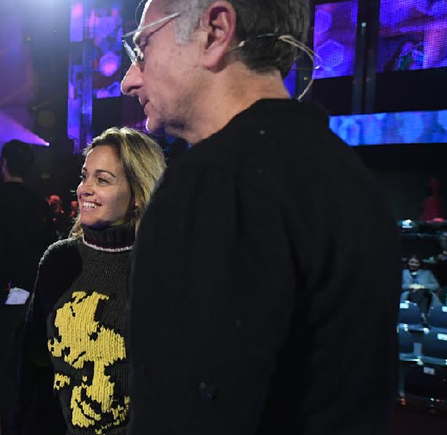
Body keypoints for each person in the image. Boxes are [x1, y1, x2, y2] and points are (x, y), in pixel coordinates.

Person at [121, 1, 400, 434]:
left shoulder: (215, 181)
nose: (129, 80)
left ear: (215, 32)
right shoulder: (352, 177)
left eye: (143, 47)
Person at [19, 128, 165, 435]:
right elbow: (33, 362)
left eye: (103, 180)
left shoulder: (161, 269)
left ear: (138, 194)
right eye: (84, 176)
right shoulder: (58, 260)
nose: (85, 189)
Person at [0, 139, 54, 435]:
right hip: (35, 289)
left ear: (5, 163)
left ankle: (12, 421)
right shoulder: (39, 201)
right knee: (24, 357)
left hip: (10, 289)